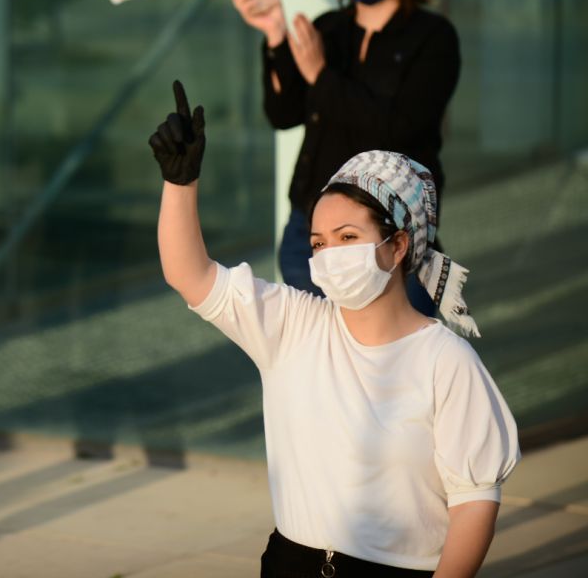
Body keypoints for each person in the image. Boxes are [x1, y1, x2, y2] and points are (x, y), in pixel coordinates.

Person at [151, 81, 519, 577]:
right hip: (289, 563)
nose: (329, 256)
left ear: (398, 245)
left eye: (349, 237)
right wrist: (180, 182)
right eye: (319, 243)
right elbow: (188, 274)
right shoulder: (291, 324)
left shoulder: (446, 362)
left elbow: (474, 505)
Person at [229, 0, 460, 308]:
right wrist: (275, 34)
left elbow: (398, 128)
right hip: (312, 235)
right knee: (321, 360)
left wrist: (322, 76)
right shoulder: (329, 29)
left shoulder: (433, 37)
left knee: (394, 364)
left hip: (392, 238)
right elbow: (284, 113)